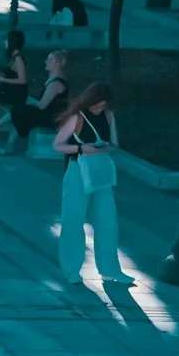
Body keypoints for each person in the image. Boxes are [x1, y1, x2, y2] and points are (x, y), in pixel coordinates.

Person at [52, 82, 129, 287]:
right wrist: (80, 149)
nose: (99, 109)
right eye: (96, 105)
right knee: (73, 220)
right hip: (78, 170)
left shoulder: (109, 116)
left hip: (100, 171)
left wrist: (104, 148)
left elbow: (115, 144)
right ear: (88, 101)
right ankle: (72, 270)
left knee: (107, 221)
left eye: (102, 106)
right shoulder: (77, 117)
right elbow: (58, 145)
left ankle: (111, 270)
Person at [3, 47, 67, 157]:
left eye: (49, 60)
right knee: (18, 110)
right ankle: (7, 145)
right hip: (46, 113)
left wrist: (32, 103)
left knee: (17, 110)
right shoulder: (52, 78)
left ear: (56, 63)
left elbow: (42, 105)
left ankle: (4, 139)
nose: (45, 62)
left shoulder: (56, 83)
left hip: (51, 118)